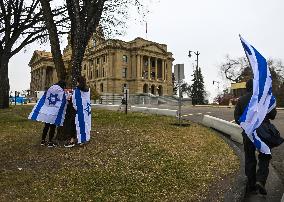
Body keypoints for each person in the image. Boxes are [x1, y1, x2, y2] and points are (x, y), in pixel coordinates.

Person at [234, 79, 277, 195]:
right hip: (264, 132)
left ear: (247, 88)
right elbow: (273, 115)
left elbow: (237, 117)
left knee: (249, 158)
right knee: (265, 156)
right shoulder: (264, 99)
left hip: (248, 133)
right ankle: (261, 180)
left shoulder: (241, 100)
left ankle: (251, 186)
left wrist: (246, 124)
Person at [29, 80, 67, 148]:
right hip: (54, 112)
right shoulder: (61, 91)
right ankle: (50, 142)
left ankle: (43, 141)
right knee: (52, 127)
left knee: (46, 126)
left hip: (47, 111)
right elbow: (63, 100)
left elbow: (44, 98)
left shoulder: (51, 89)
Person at [64, 76, 91, 147]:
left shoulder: (77, 90)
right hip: (87, 111)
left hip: (80, 111)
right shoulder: (88, 89)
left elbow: (74, 101)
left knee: (80, 125)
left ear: (78, 82)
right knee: (87, 125)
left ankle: (82, 140)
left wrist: (69, 97)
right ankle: (86, 138)